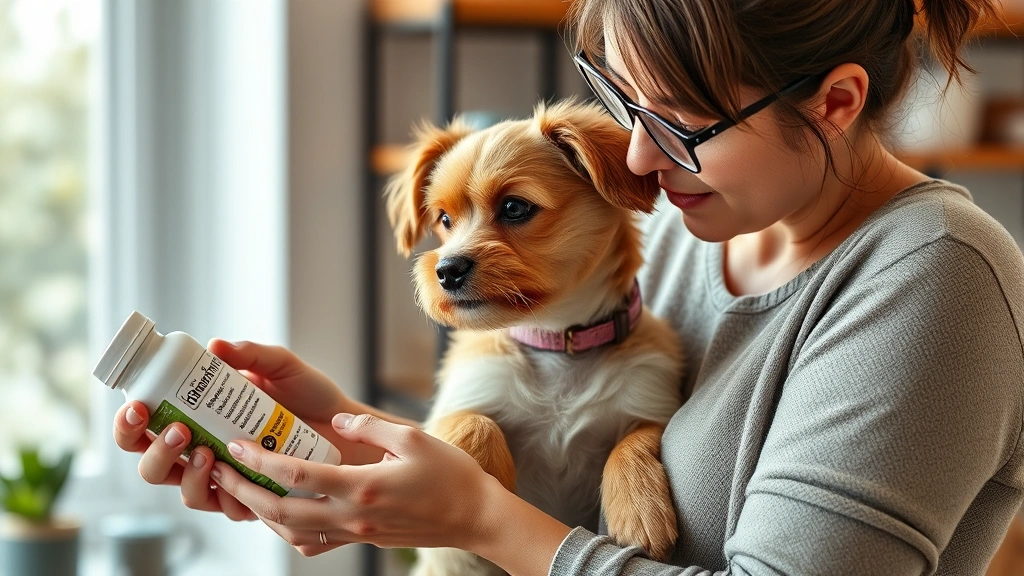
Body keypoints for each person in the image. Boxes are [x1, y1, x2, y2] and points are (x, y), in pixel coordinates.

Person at [112, 0, 1024, 573]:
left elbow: (512, 523)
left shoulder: (931, 280)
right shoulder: (683, 231)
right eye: (625, 104)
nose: (631, 159)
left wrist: (475, 517)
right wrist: (340, 452)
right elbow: (548, 474)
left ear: (835, 100)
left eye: (680, 123)